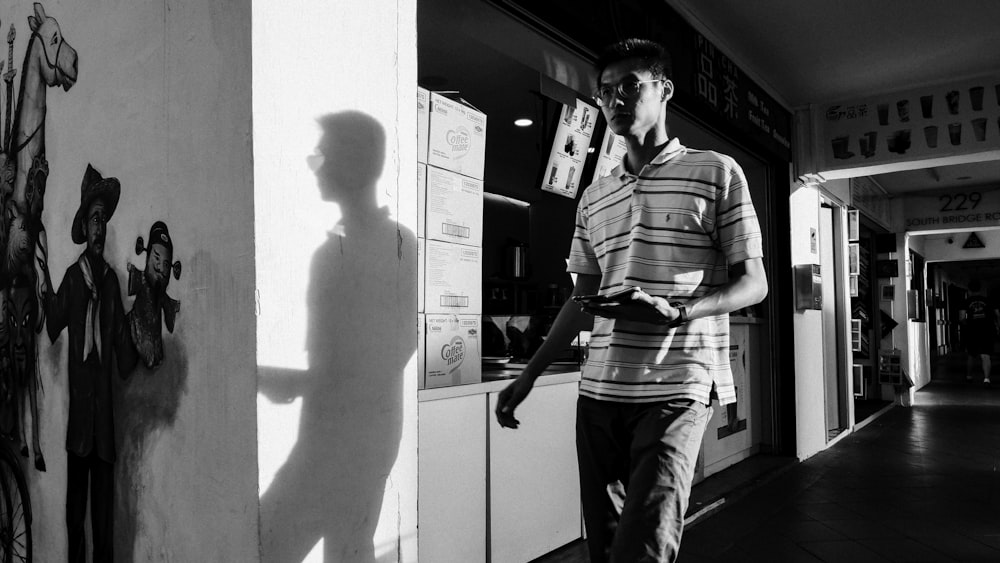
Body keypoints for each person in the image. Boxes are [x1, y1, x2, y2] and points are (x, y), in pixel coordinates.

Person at [495, 38, 768, 562]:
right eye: (604, 92)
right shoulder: (595, 196)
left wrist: (682, 311)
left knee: (642, 550)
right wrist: (527, 375)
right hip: (598, 393)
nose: (615, 100)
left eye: (629, 86)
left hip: (677, 387)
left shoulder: (717, 171)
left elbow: (754, 284)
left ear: (663, 89)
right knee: (604, 548)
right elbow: (582, 300)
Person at [41, 164, 137, 563]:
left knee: (104, 526)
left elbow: (124, 359)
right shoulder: (73, 278)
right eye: (94, 219)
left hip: (105, 433)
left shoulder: (112, 285)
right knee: (74, 520)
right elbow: (52, 322)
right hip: (80, 426)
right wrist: (43, 278)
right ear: (85, 225)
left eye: (104, 220)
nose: (100, 228)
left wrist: (143, 315)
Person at [959, 279, 998, 384]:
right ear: (980, 289)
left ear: (969, 290)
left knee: (971, 354)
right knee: (986, 355)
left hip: (973, 331)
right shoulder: (989, 300)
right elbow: (998, 314)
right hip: (987, 330)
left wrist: (969, 325)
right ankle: (986, 379)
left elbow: (962, 318)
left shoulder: (965, 302)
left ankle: (969, 376)